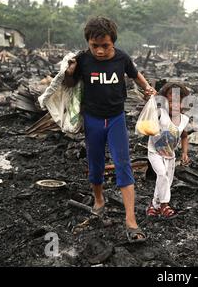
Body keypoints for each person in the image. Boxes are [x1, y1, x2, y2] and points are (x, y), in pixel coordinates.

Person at [64, 16, 157, 243]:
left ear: (112, 42)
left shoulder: (122, 58)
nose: (100, 51)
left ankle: (131, 220)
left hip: (116, 119)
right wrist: (70, 72)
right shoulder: (83, 61)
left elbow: (135, 75)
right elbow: (68, 85)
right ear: (88, 42)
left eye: (105, 46)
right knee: (95, 165)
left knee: (123, 164)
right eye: (94, 46)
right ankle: (98, 200)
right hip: (92, 120)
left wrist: (147, 88)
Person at [146, 83, 190, 219]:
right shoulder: (161, 113)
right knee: (162, 174)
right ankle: (165, 205)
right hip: (155, 152)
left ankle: (154, 205)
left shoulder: (184, 120)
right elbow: (150, 107)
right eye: (170, 101)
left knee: (165, 181)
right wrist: (150, 98)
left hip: (170, 155)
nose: (174, 105)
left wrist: (184, 153)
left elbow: (184, 136)